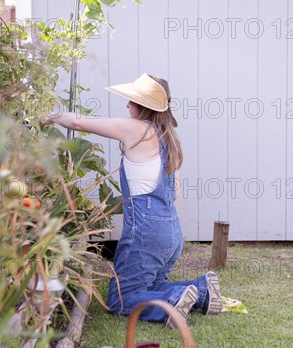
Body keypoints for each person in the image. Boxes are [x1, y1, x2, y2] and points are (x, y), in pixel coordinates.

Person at [42, 73, 222, 328]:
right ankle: (202, 290)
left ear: (142, 106)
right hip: (171, 232)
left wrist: (47, 115)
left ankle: (175, 300)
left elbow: (79, 123)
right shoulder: (169, 139)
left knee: (120, 299)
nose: (127, 105)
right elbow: (175, 193)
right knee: (151, 286)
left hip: (146, 232)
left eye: (131, 101)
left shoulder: (137, 130)